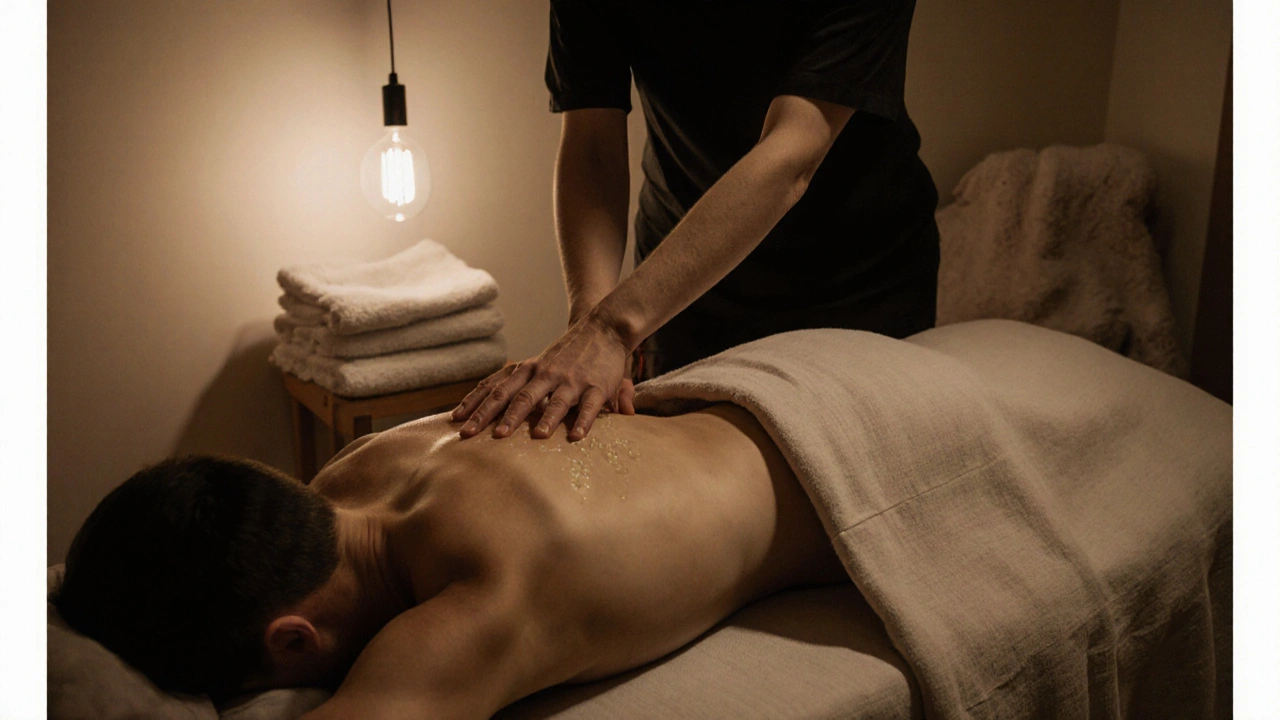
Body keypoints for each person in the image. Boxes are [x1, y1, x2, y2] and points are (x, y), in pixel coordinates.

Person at [55, 403, 845, 718]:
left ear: (294, 642)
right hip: (771, 388)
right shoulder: (357, 468)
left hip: (848, 460)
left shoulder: (481, 595)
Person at [453, 0, 939, 443]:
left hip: (857, 286)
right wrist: (590, 321)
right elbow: (593, 144)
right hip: (681, 291)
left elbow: (793, 152)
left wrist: (612, 327)